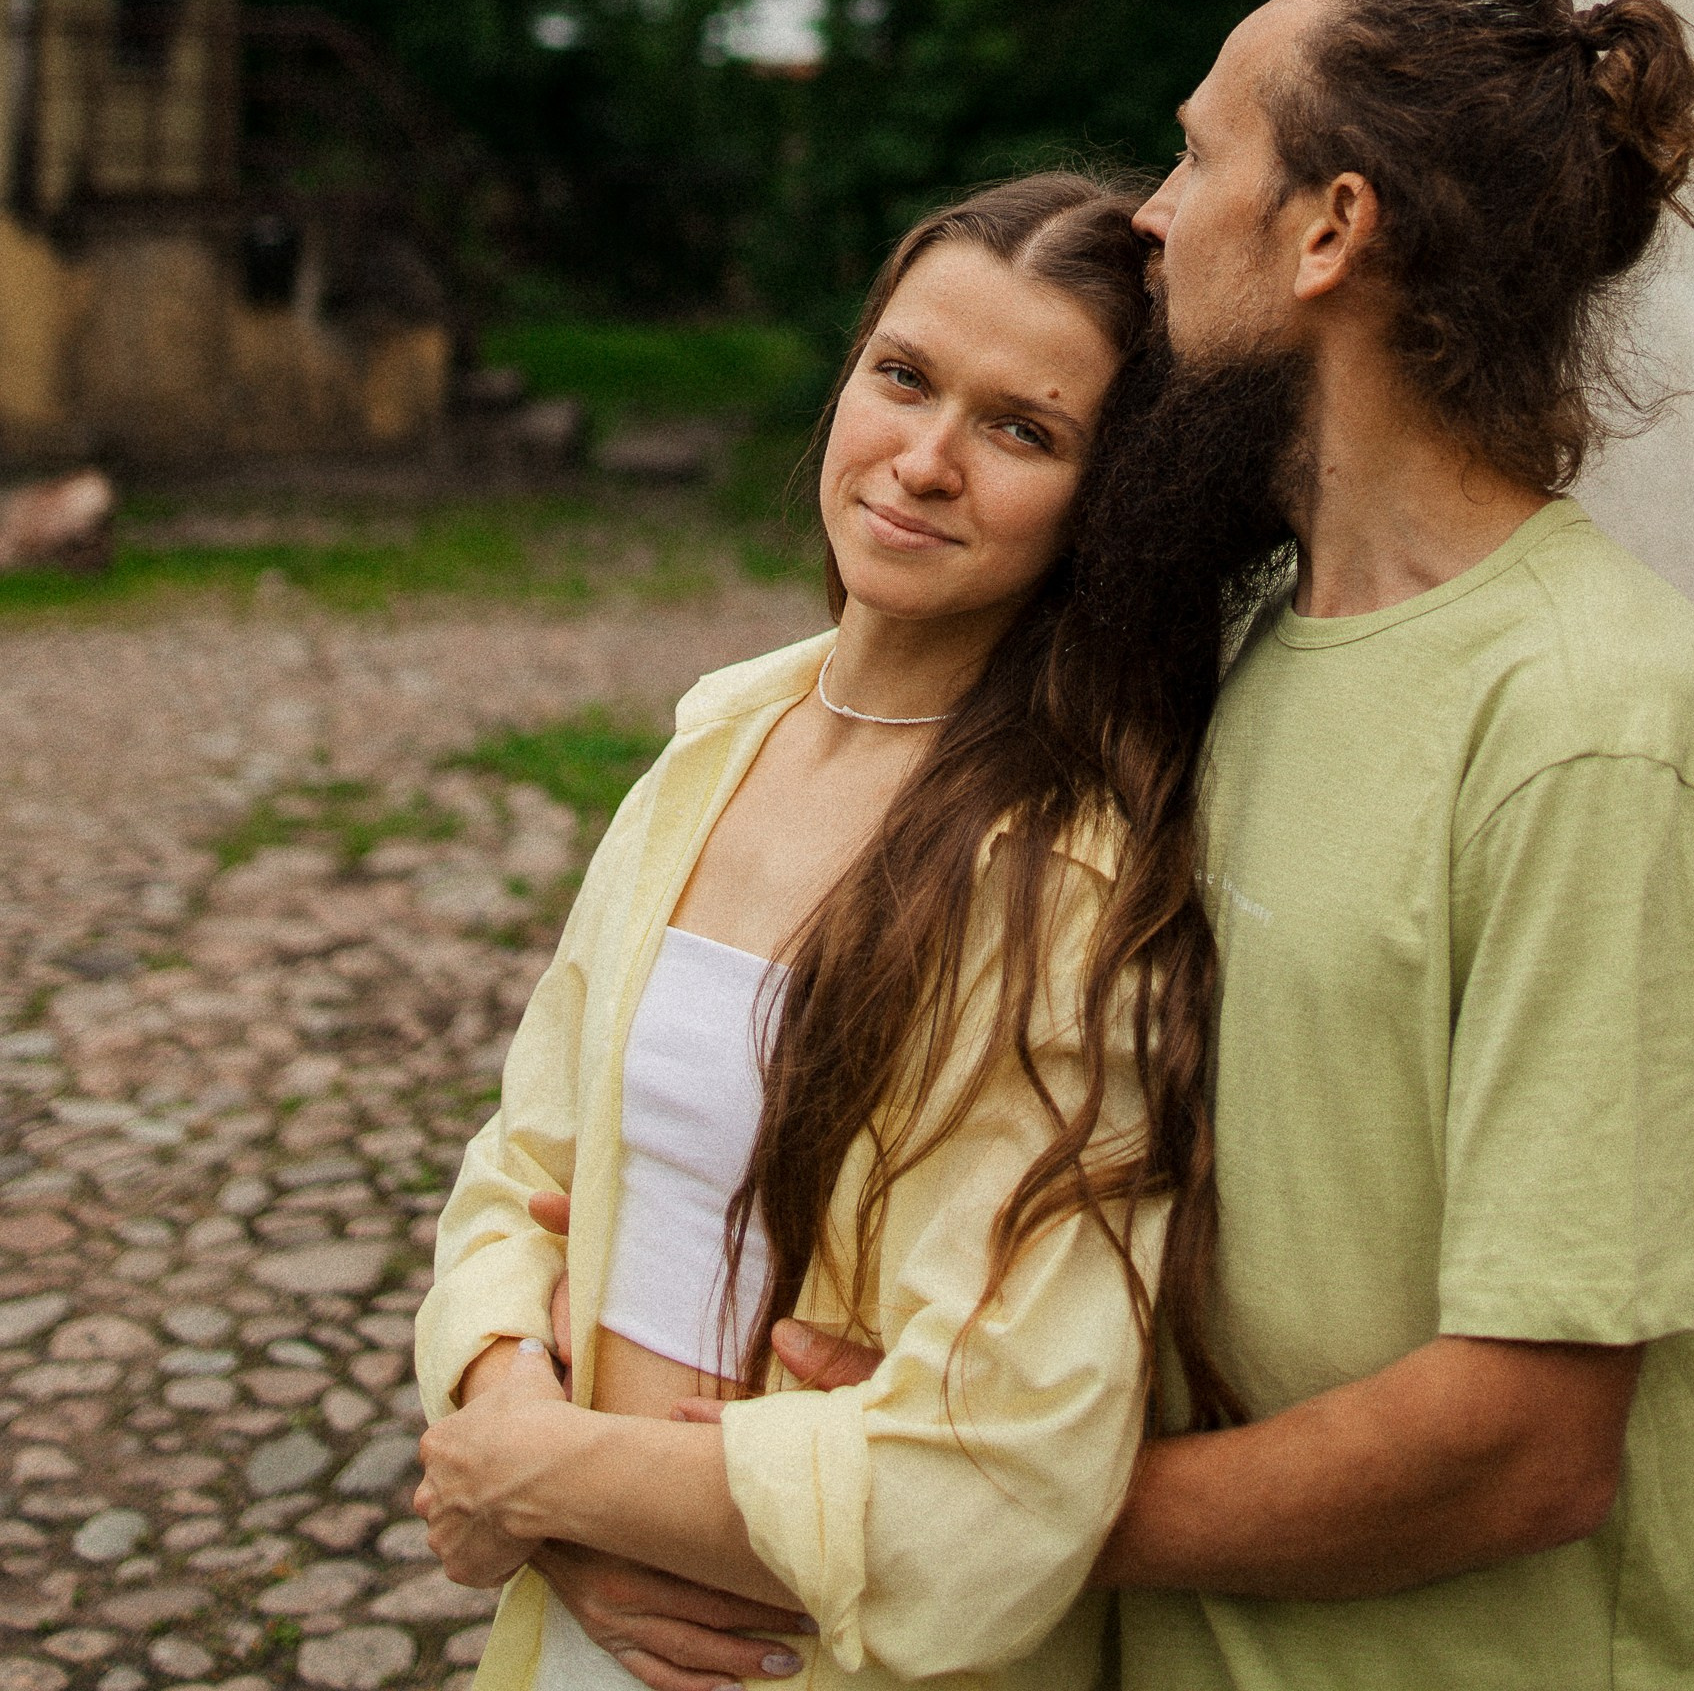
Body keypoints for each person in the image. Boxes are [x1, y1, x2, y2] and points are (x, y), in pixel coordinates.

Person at [409, 171, 1286, 1691]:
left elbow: (999, 1462)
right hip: (577, 1633)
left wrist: (538, 1483)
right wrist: (512, 1416)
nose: (926, 460)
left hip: (829, 1655)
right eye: (904, 377)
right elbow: (523, 1169)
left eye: (1024, 429)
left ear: (1108, 502)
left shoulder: (1070, 879)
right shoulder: (721, 738)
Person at [1087, 0, 1694, 1691]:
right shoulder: (1259, 626)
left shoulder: (1588, 718)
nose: (1147, 216)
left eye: (1194, 154)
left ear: (1333, 228)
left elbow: (1527, 1442)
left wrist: (994, 1513)